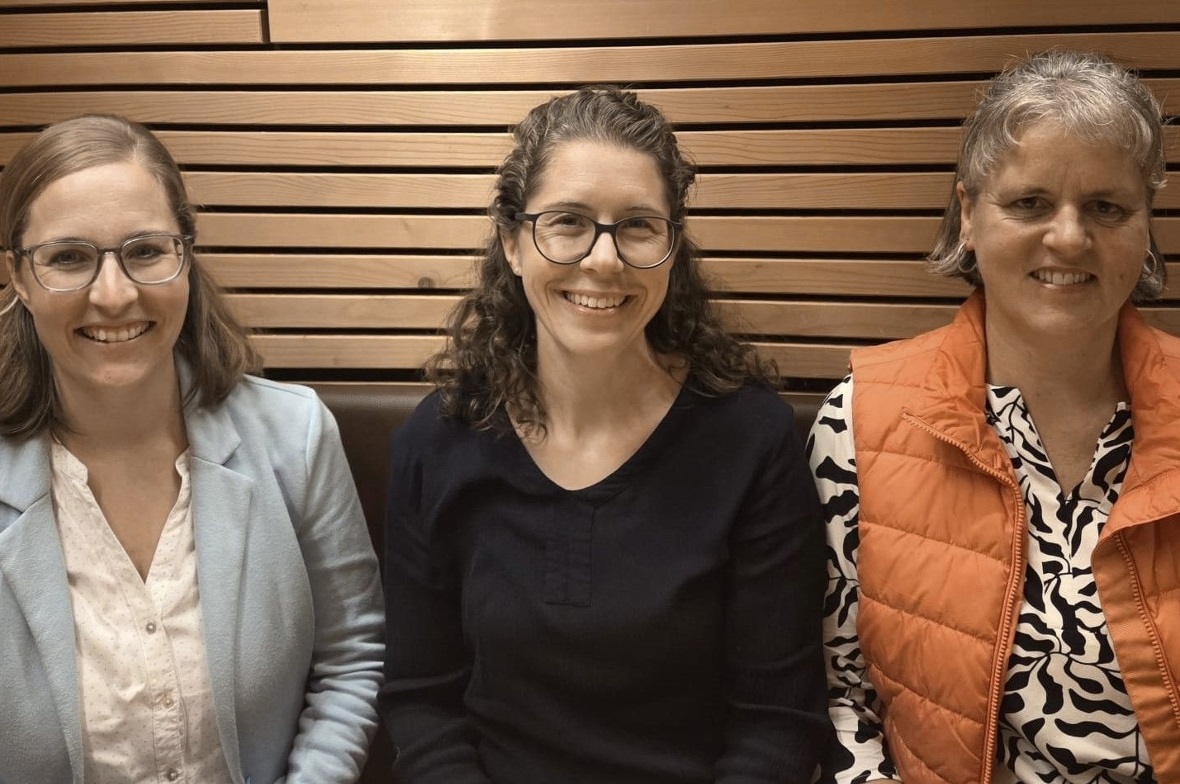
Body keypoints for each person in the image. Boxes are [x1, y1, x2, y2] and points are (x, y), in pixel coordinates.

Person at [379, 85, 830, 783]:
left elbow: (775, 722)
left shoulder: (751, 439)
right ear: (513, 243)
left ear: (672, 248)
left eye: (639, 226)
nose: (604, 259)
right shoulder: (437, 442)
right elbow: (422, 701)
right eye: (568, 221)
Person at [808, 50, 1180, 784]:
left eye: (1107, 207)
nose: (1069, 238)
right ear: (969, 214)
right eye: (1030, 203)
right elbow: (842, 695)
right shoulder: (859, 421)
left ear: (1144, 231)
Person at [0, 115, 384, 783]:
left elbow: (350, 657)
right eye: (69, 258)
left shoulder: (295, 436)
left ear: (185, 255)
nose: (114, 294)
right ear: (19, 278)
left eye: (145, 250)